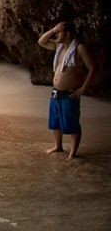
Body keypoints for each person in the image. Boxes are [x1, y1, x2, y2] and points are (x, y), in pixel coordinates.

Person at [38, 21, 95, 159]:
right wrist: (52, 30)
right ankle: (58, 146)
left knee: (72, 123)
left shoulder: (79, 48)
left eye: (60, 32)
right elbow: (41, 42)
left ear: (68, 34)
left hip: (70, 93)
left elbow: (92, 69)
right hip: (56, 92)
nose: (57, 34)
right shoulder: (59, 46)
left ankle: (72, 153)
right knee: (55, 122)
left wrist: (82, 89)